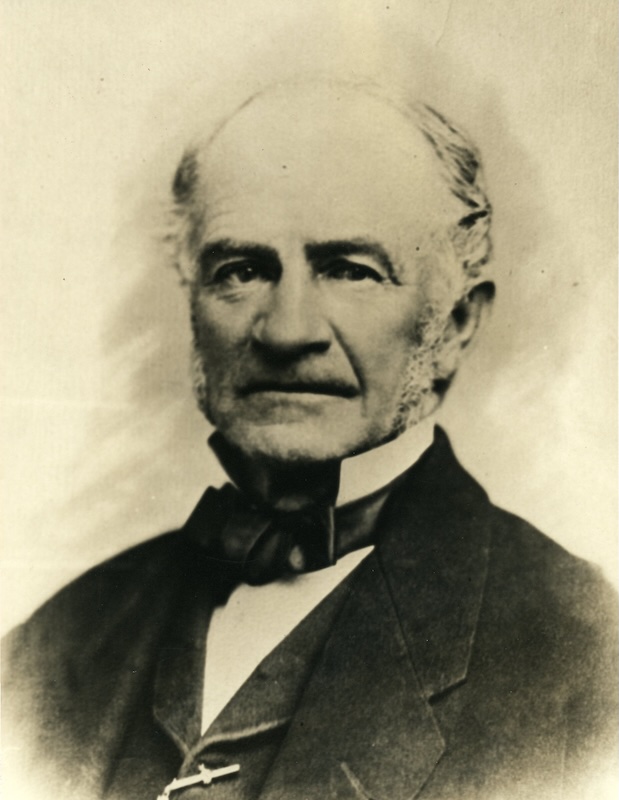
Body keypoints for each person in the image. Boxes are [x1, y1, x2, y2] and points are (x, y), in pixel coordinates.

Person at [3, 80, 617, 800]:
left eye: (349, 270)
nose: (287, 330)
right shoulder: (50, 646)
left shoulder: (583, 661)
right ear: (192, 305)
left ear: (456, 326)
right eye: (241, 270)